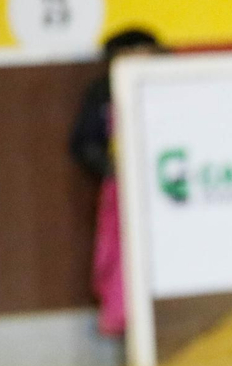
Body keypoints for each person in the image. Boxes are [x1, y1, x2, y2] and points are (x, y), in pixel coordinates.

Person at [70, 27, 163, 340]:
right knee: (119, 258)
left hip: (166, 188)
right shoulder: (102, 92)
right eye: (131, 51)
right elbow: (85, 143)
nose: (140, 57)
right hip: (122, 190)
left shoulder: (169, 84)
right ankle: (124, 325)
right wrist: (115, 169)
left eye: (144, 50)